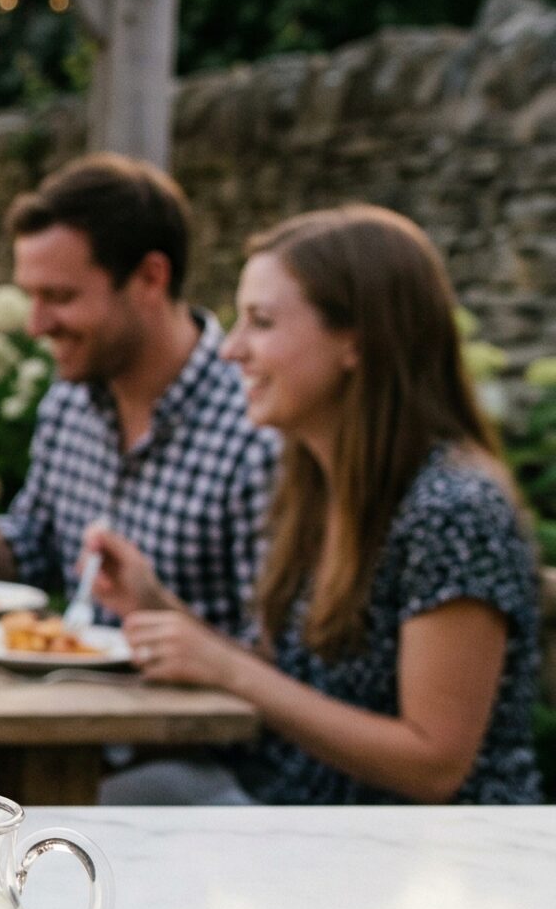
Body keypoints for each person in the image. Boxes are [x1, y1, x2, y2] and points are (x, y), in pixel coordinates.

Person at [89, 206, 541, 805]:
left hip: (430, 860)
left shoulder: (454, 509)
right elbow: (297, 687)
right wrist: (157, 607)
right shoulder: (312, 481)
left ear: (356, 341)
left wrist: (229, 670)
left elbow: (435, 764)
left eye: (263, 322)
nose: (232, 350)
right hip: (304, 815)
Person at [0, 155, 279, 634]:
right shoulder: (69, 401)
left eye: (60, 298)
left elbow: (273, 661)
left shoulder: (257, 431)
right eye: (31, 297)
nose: (35, 325)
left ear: (151, 278)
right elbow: (38, 553)